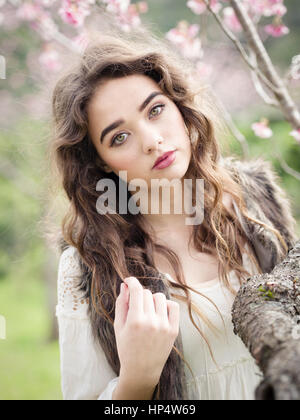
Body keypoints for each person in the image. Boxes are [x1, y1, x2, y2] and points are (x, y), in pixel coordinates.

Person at [50, 25, 297, 400]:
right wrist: (136, 379)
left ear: (180, 109)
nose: (152, 140)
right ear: (100, 164)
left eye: (155, 110)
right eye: (119, 137)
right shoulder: (89, 266)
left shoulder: (256, 201)